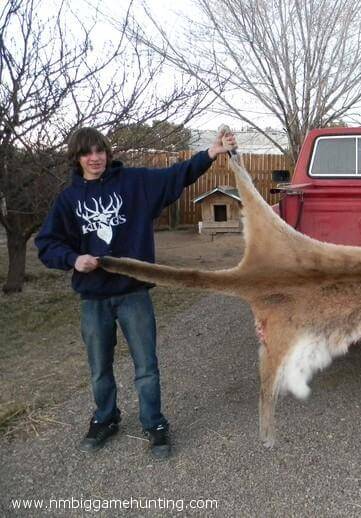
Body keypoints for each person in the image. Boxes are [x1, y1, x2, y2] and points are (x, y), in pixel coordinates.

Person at [35, 126, 236, 459]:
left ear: (107, 153)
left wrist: (210, 154)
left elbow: (177, 175)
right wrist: (73, 259)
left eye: (100, 151)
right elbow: (47, 243)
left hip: (134, 293)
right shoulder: (69, 199)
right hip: (94, 298)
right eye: (87, 153)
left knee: (146, 366)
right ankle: (105, 418)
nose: (95, 158)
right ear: (77, 158)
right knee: (99, 368)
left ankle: (154, 424)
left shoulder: (135, 183)